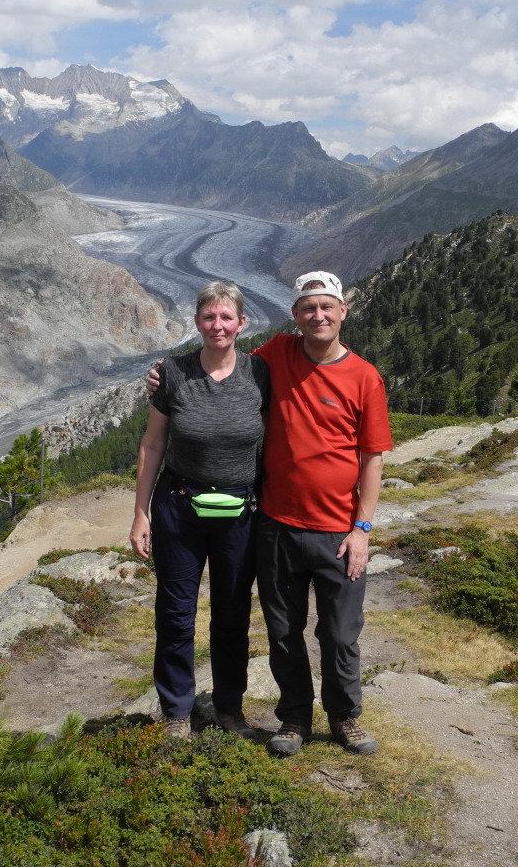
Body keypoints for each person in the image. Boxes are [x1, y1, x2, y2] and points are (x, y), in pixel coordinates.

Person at [147, 270, 392, 757]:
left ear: (343, 311)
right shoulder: (275, 355)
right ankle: (294, 718)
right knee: (281, 632)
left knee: (339, 632)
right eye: (308, 308)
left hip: (334, 528)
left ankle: (344, 716)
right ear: (294, 315)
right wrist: (162, 375)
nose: (317, 316)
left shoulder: (363, 376)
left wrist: (362, 527)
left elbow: (373, 458)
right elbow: (221, 361)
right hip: (275, 523)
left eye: (326, 307)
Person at [130, 281, 269, 742]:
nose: (217, 325)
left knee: (232, 614)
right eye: (209, 317)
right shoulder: (172, 373)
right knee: (175, 613)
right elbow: (153, 444)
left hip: (240, 510)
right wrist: (141, 513)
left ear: (242, 323)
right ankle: (177, 711)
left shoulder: (260, 373)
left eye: (226, 317)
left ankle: (229, 708)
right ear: (197, 322)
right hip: (179, 507)